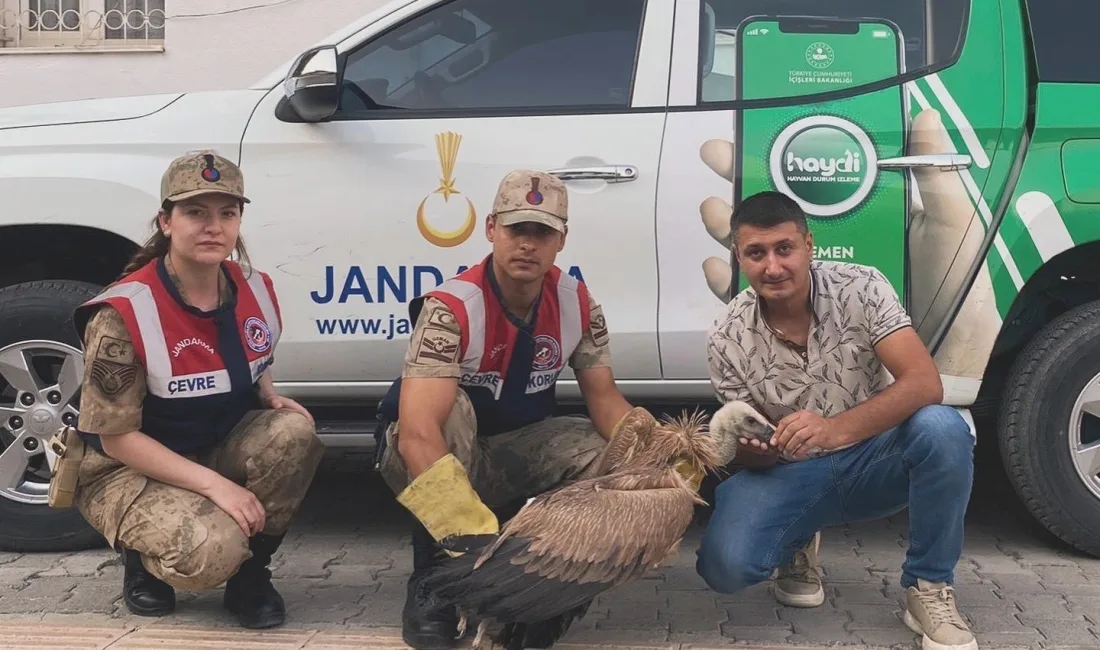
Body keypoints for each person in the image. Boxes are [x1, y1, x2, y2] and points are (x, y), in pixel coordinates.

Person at [375, 169, 658, 649]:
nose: (528, 244)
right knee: (448, 411)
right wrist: (476, 541)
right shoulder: (451, 307)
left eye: (542, 232)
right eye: (516, 229)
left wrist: (660, 455)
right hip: (430, 454)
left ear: (561, 240)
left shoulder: (578, 304)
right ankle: (435, 585)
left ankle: (551, 593)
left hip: (514, 447)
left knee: (606, 452)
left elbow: (605, 401)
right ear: (490, 229)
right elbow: (418, 433)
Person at [697, 191, 978, 650]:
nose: (773, 266)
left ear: (809, 244)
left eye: (784, 248)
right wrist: (753, 452)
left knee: (943, 428)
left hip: (873, 457)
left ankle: (927, 587)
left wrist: (834, 430)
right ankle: (797, 542)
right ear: (739, 257)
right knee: (725, 567)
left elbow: (925, 383)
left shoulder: (861, 286)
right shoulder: (725, 336)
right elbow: (755, 454)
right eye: (756, 253)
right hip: (792, 473)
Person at [69, 151, 325, 629]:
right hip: (125, 469)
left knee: (294, 432)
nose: (214, 227)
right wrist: (219, 488)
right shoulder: (123, 313)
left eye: (227, 213)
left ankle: (251, 578)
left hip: (208, 443)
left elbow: (251, 349)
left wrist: (268, 393)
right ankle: (142, 558)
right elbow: (114, 438)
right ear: (166, 221)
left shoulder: (251, 285)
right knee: (211, 554)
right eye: (196, 213)